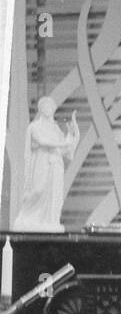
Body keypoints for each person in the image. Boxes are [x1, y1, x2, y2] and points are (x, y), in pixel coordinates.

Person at [13, 96, 79, 232]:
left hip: (55, 165)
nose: (47, 108)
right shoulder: (34, 126)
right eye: (44, 106)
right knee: (38, 190)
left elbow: (65, 151)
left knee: (54, 195)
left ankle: (50, 221)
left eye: (50, 106)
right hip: (41, 163)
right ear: (40, 109)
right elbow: (42, 141)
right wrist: (63, 143)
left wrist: (72, 134)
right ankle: (27, 218)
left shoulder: (56, 129)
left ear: (53, 109)